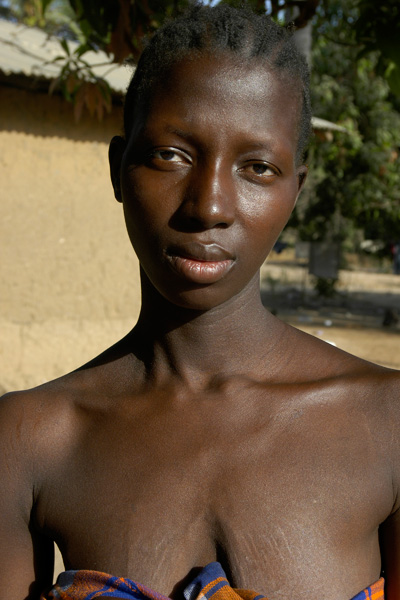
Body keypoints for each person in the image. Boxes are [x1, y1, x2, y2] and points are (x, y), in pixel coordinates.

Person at [1, 5, 399, 600]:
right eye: (171, 155)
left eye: (258, 167)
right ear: (117, 169)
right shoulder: (32, 439)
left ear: (297, 191)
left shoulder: (386, 423)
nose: (208, 204)